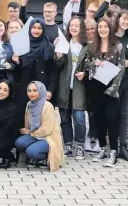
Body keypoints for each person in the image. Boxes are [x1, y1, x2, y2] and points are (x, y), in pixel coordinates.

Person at [83, 18, 125, 167]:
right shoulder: (92, 46)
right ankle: (102, 149)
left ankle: (114, 152)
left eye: (105, 27)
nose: (102, 29)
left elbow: (121, 68)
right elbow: (85, 64)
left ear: (110, 28)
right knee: (98, 119)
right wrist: (93, 63)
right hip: (95, 87)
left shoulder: (118, 46)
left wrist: (113, 89)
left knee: (112, 119)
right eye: (99, 27)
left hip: (110, 88)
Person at [12, 18, 56, 132]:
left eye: (39, 28)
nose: (36, 30)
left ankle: (38, 142)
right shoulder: (23, 45)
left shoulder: (49, 46)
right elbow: (19, 69)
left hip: (42, 87)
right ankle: (20, 144)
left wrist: (50, 89)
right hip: (24, 86)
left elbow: (52, 71)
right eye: (34, 28)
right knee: (21, 114)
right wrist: (17, 62)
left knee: (40, 116)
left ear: (43, 30)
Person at [53, 16, 88, 160]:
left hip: (80, 88)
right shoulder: (63, 43)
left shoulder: (87, 46)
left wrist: (85, 73)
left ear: (81, 28)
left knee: (79, 119)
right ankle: (67, 145)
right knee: (65, 118)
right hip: (64, 87)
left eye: (76, 26)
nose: (73, 28)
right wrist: (59, 54)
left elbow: (91, 66)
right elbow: (58, 65)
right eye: (71, 25)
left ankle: (80, 145)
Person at [15, 81, 64, 171]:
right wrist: (28, 131)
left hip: (48, 137)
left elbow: (46, 130)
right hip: (35, 135)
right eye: (29, 91)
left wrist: (29, 132)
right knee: (19, 142)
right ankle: (35, 153)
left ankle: (45, 157)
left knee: (31, 151)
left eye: (35, 90)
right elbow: (28, 123)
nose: (31, 93)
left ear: (41, 91)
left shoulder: (47, 106)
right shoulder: (29, 104)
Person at [113, 10, 128, 162]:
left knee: (124, 114)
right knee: (112, 113)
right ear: (118, 19)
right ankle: (113, 147)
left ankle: (123, 146)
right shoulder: (109, 36)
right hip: (113, 79)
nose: (126, 22)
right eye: (124, 19)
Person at [83, 18, 99, 152]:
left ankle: (97, 136)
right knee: (90, 111)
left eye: (92, 28)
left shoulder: (101, 44)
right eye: (87, 29)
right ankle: (90, 135)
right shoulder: (83, 44)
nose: (90, 31)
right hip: (85, 82)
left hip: (99, 82)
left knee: (97, 111)